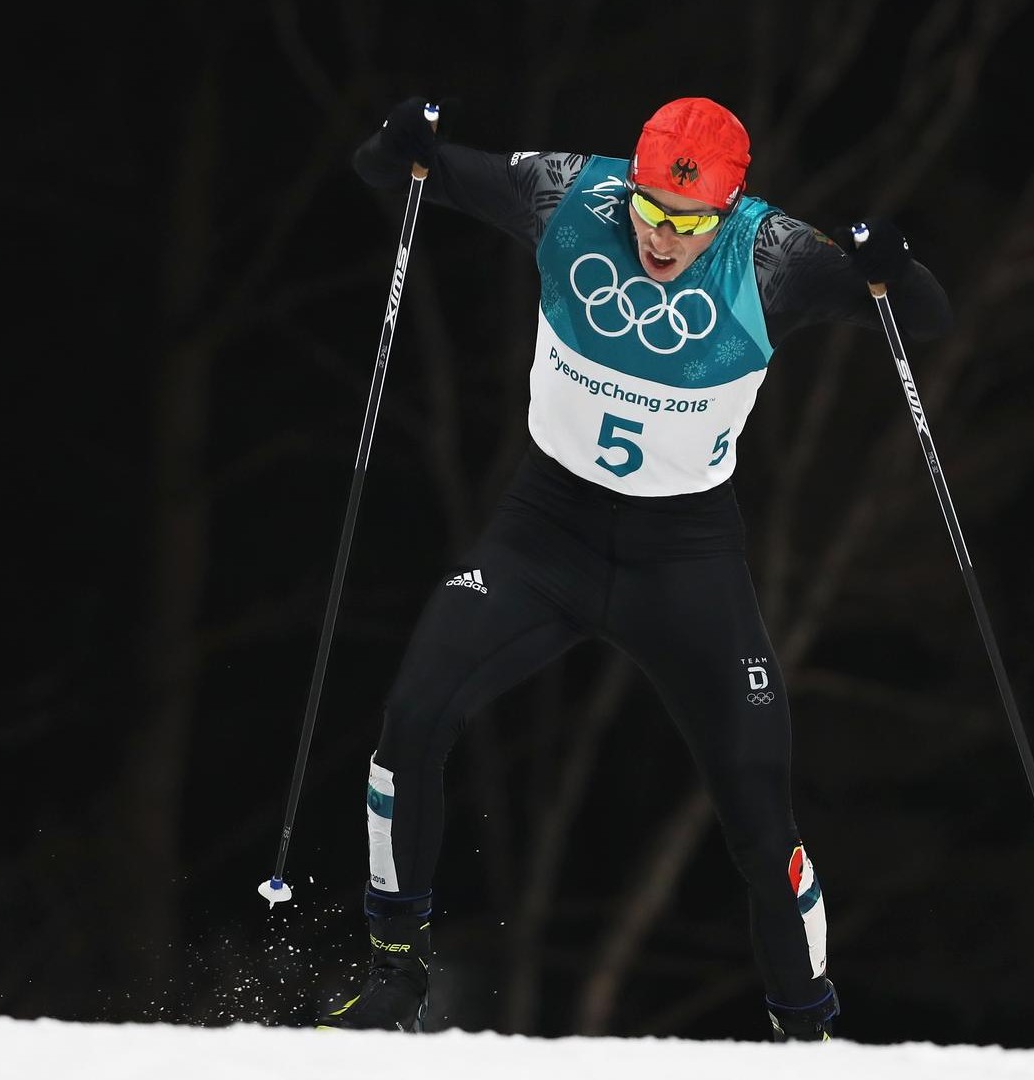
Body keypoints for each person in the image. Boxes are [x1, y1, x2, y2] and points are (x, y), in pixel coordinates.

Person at [324, 95, 954, 1041]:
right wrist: (398, 143)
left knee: (756, 804)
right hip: (545, 536)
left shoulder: (774, 254)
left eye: (689, 222)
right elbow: (401, 171)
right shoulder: (569, 193)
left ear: (729, 209)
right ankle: (393, 978)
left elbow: (927, 318)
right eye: (650, 211)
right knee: (413, 716)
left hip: (685, 560)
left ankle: (809, 1035)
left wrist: (889, 265)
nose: (661, 239)